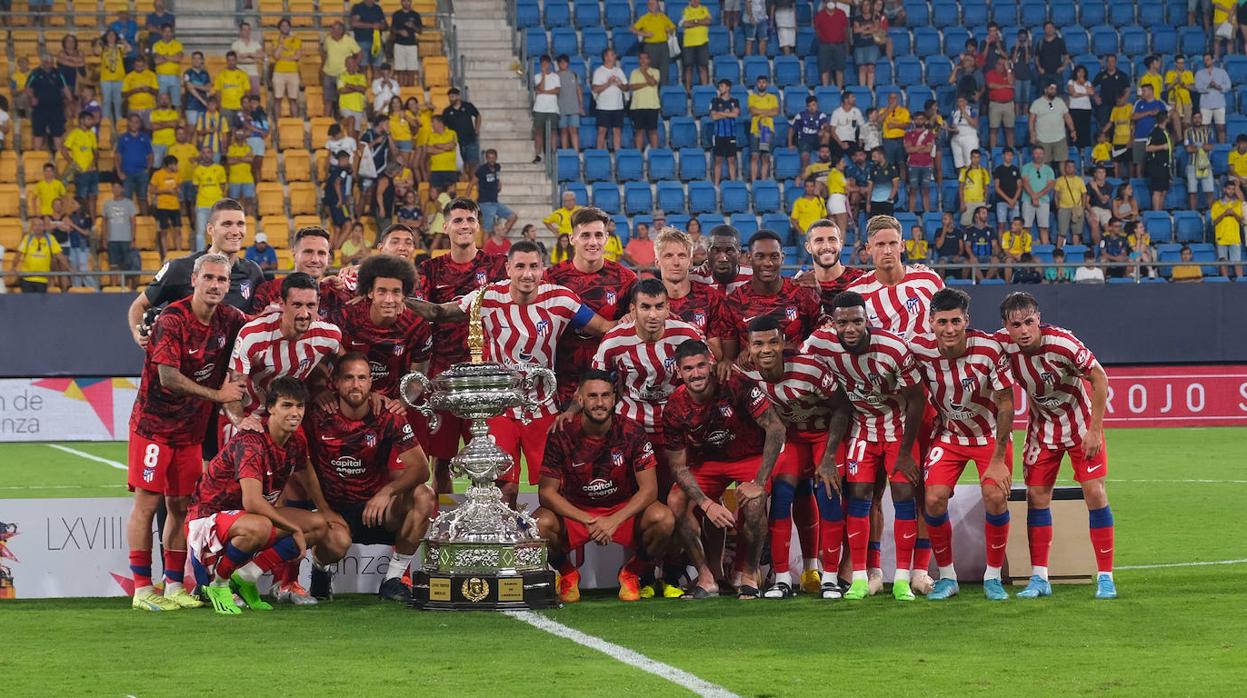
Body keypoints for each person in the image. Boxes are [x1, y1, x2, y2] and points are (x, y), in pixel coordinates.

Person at [408, 241, 617, 507]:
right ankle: (503, 543)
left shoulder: (562, 299)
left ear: (543, 269)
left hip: (543, 407)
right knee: (503, 487)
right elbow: (438, 313)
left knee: (555, 485)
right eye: (520, 266)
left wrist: (637, 321)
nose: (527, 274)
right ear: (508, 268)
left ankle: (553, 547)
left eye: (533, 267)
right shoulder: (487, 297)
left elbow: (606, 329)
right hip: (501, 408)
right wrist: (397, 298)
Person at [124, 253, 247, 612]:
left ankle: (174, 583)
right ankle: (142, 588)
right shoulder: (172, 318)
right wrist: (219, 396)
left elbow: (258, 329)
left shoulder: (231, 319)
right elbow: (169, 378)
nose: (215, 285)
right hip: (153, 427)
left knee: (180, 507)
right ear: (194, 280)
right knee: (148, 504)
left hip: (189, 433)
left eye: (222, 280)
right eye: (208, 277)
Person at [802, 291, 924, 600]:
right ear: (834, 323)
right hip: (861, 430)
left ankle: (901, 579)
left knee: (903, 496)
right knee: (859, 497)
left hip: (897, 429)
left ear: (867, 319)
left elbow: (916, 400)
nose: (851, 329)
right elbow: (794, 359)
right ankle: (860, 577)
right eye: (843, 323)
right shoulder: (819, 343)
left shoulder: (894, 348)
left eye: (857, 321)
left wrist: (908, 451)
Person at [996, 293, 1117, 599]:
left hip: (1080, 426)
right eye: (1016, 324)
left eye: (1029, 322)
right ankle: (1040, 578)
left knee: (1094, 491)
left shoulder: (1063, 343)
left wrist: (1095, 430)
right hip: (1042, 430)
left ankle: (1106, 576)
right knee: (1036, 496)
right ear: (1006, 327)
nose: (1023, 330)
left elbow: (1099, 378)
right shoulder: (1001, 345)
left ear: (1039, 320)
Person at [186, 377, 343, 615]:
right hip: (207, 519)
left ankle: (247, 577)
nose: (295, 413)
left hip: (244, 518)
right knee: (261, 526)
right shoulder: (252, 441)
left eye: (300, 406)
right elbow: (252, 501)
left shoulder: (296, 440)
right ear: (270, 408)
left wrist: (325, 508)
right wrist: (294, 529)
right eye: (287, 405)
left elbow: (307, 472)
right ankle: (218, 584)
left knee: (320, 525)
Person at [304, 353, 437, 602]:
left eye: (362, 378)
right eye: (349, 378)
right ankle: (320, 571)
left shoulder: (388, 416)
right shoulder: (318, 415)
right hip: (336, 511)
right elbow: (301, 464)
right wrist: (322, 508)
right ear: (335, 382)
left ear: (371, 382)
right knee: (336, 542)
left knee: (424, 496)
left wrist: (386, 493)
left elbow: (421, 469)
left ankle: (393, 579)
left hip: (378, 511)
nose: (356, 385)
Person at [909, 288, 1015, 601]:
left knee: (995, 497)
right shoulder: (918, 349)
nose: (950, 329)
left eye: (956, 321)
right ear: (930, 322)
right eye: (942, 322)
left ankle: (993, 577)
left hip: (989, 435)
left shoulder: (989, 349)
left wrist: (998, 458)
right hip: (950, 436)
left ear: (966, 320)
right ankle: (947, 577)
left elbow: (1007, 404)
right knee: (933, 500)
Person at [662, 339, 787, 600]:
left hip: (748, 456)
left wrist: (759, 482)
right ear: (678, 371)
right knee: (676, 500)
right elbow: (678, 466)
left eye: (700, 366)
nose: (696, 374)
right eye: (688, 368)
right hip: (707, 463)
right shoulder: (674, 407)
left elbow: (776, 428)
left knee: (754, 502)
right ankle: (707, 577)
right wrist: (706, 503)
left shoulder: (735, 383)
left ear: (710, 364)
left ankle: (749, 576)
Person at [536, 369, 675, 603]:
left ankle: (632, 573)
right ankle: (568, 573)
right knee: (539, 524)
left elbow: (649, 489)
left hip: (620, 508)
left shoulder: (632, 432)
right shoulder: (561, 434)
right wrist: (588, 520)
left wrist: (614, 520)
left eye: (605, 396)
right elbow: (546, 493)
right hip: (577, 510)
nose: (599, 403)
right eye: (592, 396)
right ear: (579, 399)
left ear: (614, 399)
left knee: (664, 519)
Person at [739, 316, 847, 599]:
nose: (766, 350)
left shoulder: (809, 368)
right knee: (783, 495)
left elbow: (842, 408)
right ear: (748, 348)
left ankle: (831, 578)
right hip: (793, 440)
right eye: (758, 344)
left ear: (783, 342)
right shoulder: (746, 376)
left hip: (824, 436)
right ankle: (783, 578)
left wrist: (829, 456)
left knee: (828, 491)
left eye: (773, 342)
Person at [126, 199, 266, 351]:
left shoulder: (253, 272)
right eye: (227, 224)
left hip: (232, 370)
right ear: (210, 229)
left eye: (240, 224)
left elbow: (260, 321)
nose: (235, 231)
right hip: (186, 367)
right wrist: (138, 334)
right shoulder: (179, 268)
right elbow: (139, 305)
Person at [545, 207, 638, 405]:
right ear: (572, 239)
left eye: (598, 235)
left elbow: (638, 323)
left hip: (609, 381)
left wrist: (631, 319)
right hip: (562, 380)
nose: (593, 242)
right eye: (585, 235)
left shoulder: (626, 279)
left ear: (606, 238)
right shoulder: (552, 278)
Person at [723, 230, 822, 359]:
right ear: (749, 258)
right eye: (760, 256)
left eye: (774, 256)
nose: (767, 263)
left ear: (782, 258)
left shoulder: (804, 295)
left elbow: (820, 343)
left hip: (798, 374)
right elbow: (729, 360)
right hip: (751, 376)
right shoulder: (734, 302)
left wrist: (790, 348)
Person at [655, 227, 736, 362]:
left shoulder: (710, 298)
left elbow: (719, 355)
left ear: (690, 261)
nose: (676, 263)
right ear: (657, 262)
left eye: (682, 255)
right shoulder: (646, 299)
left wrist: (697, 338)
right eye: (668, 256)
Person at [249, 226, 339, 315]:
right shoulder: (268, 291)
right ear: (294, 253)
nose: (315, 259)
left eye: (321, 253)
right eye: (308, 252)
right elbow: (252, 324)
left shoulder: (335, 295)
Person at [801, 218, 864, 315]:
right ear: (808, 247)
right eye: (819, 240)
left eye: (832, 240)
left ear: (841, 244)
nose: (826, 246)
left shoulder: (861, 281)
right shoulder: (802, 286)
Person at [690, 224, 754, 294]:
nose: (722, 258)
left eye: (729, 251)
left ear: (739, 253)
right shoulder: (694, 279)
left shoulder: (753, 278)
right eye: (715, 251)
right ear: (707, 252)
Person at [26, 54, 71, 153]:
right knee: (38, 132)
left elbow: (65, 87)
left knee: (57, 132)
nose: (49, 65)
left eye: (51, 63)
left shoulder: (58, 73)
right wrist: (32, 97)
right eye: (47, 62)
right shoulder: (35, 73)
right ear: (42, 62)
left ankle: (59, 154)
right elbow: (28, 88)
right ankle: (37, 154)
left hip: (56, 108)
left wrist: (70, 99)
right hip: (40, 108)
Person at [8, 217, 66, 293]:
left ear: (44, 227)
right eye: (35, 225)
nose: (38, 228)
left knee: (39, 304)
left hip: (42, 279)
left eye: (40, 225)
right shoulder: (27, 239)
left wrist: (70, 269)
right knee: (28, 303)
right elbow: (18, 255)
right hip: (27, 279)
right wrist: (13, 267)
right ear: (32, 227)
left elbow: (60, 256)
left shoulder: (50, 239)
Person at [1029, 81, 1075, 165]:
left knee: (1063, 163)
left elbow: (1067, 117)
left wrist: (1072, 130)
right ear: (1045, 90)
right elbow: (1031, 120)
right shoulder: (1037, 103)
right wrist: (1032, 133)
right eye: (1051, 89)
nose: (1054, 91)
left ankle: (1063, 178)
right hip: (1043, 138)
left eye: (1055, 89)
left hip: (1060, 138)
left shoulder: (1060, 102)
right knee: (1045, 164)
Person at [321, 22, 361, 118]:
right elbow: (324, 52)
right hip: (328, 74)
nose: (332, 31)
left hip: (343, 75)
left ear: (341, 31)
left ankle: (343, 121)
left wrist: (354, 65)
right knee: (328, 100)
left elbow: (359, 53)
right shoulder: (327, 40)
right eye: (332, 28)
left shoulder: (349, 41)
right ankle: (326, 122)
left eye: (334, 29)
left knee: (342, 100)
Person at [115, 114, 153, 215]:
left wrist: (147, 169)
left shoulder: (145, 138)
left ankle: (145, 220)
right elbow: (118, 156)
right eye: (132, 121)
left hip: (142, 173)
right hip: (127, 173)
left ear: (140, 124)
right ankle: (128, 222)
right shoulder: (123, 138)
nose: (134, 124)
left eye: (137, 122)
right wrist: (119, 172)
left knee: (143, 198)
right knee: (127, 199)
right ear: (128, 123)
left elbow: (150, 155)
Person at [591, 48, 628, 150]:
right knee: (602, 131)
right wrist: (608, 83)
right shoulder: (599, 71)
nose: (613, 57)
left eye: (613, 55)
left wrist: (619, 83)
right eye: (611, 55)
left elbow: (626, 87)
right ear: (605, 57)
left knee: (617, 131)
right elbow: (595, 89)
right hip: (603, 107)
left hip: (618, 107)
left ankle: (617, 155)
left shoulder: (619, 71)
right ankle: (599, 154)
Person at [632, 0, 675, 83]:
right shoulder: (644, 18)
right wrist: (644, 34)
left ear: (658, 5)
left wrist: (669, 29)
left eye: (653, 4)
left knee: (664, 71)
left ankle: (662, 92)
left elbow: (673, 27)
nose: (651, 5)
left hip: (663, 46)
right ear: (648, 6)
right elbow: (632, 29)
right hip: (650, 47)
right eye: (650, 4)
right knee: (652, 71)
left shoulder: (663, 17)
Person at [476, 149, 517, 234]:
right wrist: (467, 199)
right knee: (488, 230)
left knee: (513, 217)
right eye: (489, 158)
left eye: (493, 158)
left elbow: (496, 178)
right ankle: (486, 247)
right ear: (486, 158)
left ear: (496, 158)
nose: (491, 160)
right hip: (485, 202)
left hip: (495, 201)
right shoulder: (482, 170)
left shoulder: (497, 167)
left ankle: (500, 237)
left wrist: (498, 183)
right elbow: (472, 183)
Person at [443, 87, 482, 175]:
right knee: (464, 164)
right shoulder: (447, 111)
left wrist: (477, 129)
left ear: (458, 96)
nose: (450, 99)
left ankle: (472, 182)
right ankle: (466, 181)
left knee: (473, 163)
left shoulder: (468, 106)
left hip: (470, 140)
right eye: (449, 97)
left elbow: (478, 115)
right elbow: (444, 126)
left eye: (452, 96)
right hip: (457, 142)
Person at [269, 19, 304, 118]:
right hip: (279, 73)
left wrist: (284, 58)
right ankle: (277, 124)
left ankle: (295, 121)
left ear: (290, 27)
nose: (285, 28)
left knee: (293, 99)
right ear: (279, 28)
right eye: (282, 26)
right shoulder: (275, 41)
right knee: (277, 98)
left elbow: (297, 56)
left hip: (293, 72)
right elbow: (276, 56)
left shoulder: (297, 40)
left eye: (287, 25)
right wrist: (281, 44)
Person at [1020, 147, 1055, 244]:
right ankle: (1025, 251)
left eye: (1040, 153)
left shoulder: (1049, 170)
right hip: (1027, 200)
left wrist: (1036, 196)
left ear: (1044, 155)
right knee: (1026, 227)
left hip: (1043, 201)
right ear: (1032, 154)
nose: (1038, 155)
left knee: (1043, 227)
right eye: (1036, 153)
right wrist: (1032, 196)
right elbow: (1025, 182)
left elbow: (1050, 185)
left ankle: (1045, 249)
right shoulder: (1026, 167)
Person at [628, 52, 662, 152]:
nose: (643, 61)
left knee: (653, 131)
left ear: (649, 60)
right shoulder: (634, 72)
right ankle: (638, 153)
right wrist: (646, 83)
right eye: (641, 58)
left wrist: (644, 72)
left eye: (645, 58)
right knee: (639, 131)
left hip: (652, 105)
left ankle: (654, 153)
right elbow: (632, 87)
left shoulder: (655, 71)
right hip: (637, 106)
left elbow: (653, 82)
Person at [903, 113, 936, 213]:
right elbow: (908, 150)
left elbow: (928, 149)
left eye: (921, 119)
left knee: (926, 190)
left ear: (925, 121)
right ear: (913, 120)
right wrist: (922, 146)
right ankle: (911, 213)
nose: (919, 121)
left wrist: (915, 148)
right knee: (912, 190)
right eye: (917, 119)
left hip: (926, 165)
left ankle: (927, 213)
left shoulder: (929, 134)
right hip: (913, 164)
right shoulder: (908, 134)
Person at [709, 79, 741, 184]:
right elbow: (713, 116)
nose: (720, 88)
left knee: (731, 160)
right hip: (719, 135)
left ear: (728, 87)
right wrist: (727, 113)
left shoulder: (735, 101)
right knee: (718, 160)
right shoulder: (715, 101)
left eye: (722, 86)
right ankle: (716, 185)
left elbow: (735, 114)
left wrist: (721, 114)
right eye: (719, 86)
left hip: (731, 135)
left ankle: (733, 183)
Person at [748, 75, 778, 180]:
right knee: (754, 156)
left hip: (767, 130)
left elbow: (775, 111)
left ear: (767, 84)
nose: (761, 84)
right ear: (757, 84)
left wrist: (760, 112)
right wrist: (767, 112)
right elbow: (752, 110)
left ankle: (764, 180)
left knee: (765, 157)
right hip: (755, 130)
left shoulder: (773, 97)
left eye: (764, 82)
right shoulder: (752, 97)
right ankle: (754, 181)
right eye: (759, 82)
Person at [1211, 181, 1245, 277]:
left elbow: (1242, 221)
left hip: (1235, 238)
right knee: (1223, 262)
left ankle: (1240, 282)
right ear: (1224, 189)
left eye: (1233, 189)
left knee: (1237, 262)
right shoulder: (1216, 205)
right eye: (1229, 189)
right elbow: (1214, 222)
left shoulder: (1238, 204)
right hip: (1221, 238)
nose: (1231, 191)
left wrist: (1234, 214)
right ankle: (1225, 282)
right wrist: (1224, 214)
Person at [1195, 53, 1230, 144]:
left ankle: (1222, 146)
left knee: (1221, 127)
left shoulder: (1221, 72)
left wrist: (1218, 86)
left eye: (1208, 59)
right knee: (1204, 128)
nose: (1206, 62)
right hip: (1205, 104)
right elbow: (1198, 88)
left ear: (1213, 60)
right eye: (1205, 60)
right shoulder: (1199, 73)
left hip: (1219, 104)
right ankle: (1205, 147)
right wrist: (1208, 86)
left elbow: (1228, 86)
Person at [531, 55, 560, 163]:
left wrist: (544, 92)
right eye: (543, 63)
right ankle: (538, 154)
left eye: (546, 63)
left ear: (549, 64)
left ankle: (553, 152)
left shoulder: (555, 77)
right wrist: (543, 76)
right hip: (540, 108)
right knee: (538, 131)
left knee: (553, 131)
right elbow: (540, 87)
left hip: (552, 108)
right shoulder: (537, 76)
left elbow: (557, 90)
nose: (545, 65)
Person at [149, 155, 181, 255]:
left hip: (175, 206)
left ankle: (179, 252)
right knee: (164, 231)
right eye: (175, 164)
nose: (176, 166)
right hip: (162, 206)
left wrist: (174, 191)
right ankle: (165, 254)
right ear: (169, 165)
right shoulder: (157, 174)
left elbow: (178, 189)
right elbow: (152, 190)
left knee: (178, 229)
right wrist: (166, 190)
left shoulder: (178, 175)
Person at [1185, 112, 1216, 212]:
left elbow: (1210, 147)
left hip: (1205, 165)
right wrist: (1203, 146)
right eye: (1195, 117)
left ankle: (1212, 213)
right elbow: (1188, 149)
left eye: (1199, 118)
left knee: (1209, 191)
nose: (1197, 120)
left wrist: (1198, 146)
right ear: (1192, 119)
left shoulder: (1209, 131)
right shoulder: (1187, 132)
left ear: (1202, 119)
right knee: (1192, 191)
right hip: (1192, 165)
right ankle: (1193, 213)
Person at [814, 2, 850, 89]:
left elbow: (846, 30)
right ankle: (825, 89)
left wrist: (847, 44)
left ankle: (839, 89)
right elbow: (817, 30)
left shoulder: (841, 13)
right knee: (824, 69)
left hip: (839, 45)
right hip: (825, 45)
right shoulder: (820, 15)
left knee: (839, 69)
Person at [350, 0, 388, 79]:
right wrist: (372, 25)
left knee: (377, 67)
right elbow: (354, 23)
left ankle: (375, 89)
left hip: (376, 42)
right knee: (363, 68)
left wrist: (381, 26)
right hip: (362, 40)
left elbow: (385, 25)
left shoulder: (377, 8)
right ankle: (364, 89)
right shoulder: (358, 7)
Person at [391, 0, 424, 87]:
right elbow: (392, 28)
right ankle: (401, 89)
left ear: (411, 2)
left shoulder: (415, 15)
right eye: (404, 1)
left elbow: (420, 31)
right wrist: (399, 31)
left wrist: (412, 26)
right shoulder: (397, 14)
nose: (406, 3)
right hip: (399, 44)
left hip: (411, 45)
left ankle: (411, 90)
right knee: (400, 69)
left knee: (411, 70)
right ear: (401, 2)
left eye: (408, 1)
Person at [795, 95, 834, 168]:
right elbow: (791, 129)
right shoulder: (800, 115)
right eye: (809, 106)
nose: (812, 108)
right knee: (805, 157)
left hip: (817, 140)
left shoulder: (821, 115)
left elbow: (826, 126)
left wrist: (823, 129)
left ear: (817, 105)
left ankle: (825, 157)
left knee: (826, 134)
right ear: (806, 107)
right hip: (805, 140)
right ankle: (806, 175)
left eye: (814, 105)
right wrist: (790, 144)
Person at [1054, 160, 1088, 245]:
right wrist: (1058, 207)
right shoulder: (1059, 180)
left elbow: (1084, 194)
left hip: (1077, 209)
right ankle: (1058, 251)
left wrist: (1082, 207)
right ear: (1065, 168)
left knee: (1076, 233)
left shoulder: (1079, 180)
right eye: (1068, 166)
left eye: (1072, 166)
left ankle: (1075, 249)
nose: (1070, 168)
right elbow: (1056, 195)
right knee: (1062, 232)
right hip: (1063, 208)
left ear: (1075, 168)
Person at [225, 127, 256, 217]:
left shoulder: (248, 147)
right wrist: (243, 158)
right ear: (235, 136)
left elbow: (251, 159)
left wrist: (237, 158)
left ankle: (249, 217)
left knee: (249, 199)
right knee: (234, 201)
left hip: (247, 178)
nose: (240, 136)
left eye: (242, 134)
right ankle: (236, 218)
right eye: (238, 134)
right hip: (234, 179)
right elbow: (230, 161)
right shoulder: (231, 148)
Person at [1104, 91, 1135, 179]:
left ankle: (1131, 181)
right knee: (1117, 163)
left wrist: (1131, 140)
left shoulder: (1130, 108)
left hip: (1127, 140)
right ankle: (1118, 181)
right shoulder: (1115, 109)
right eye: (1116, 101)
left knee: (1130, 162)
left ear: (1124, 99)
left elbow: (1133, 125)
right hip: (1117, 140)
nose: (1117, 102)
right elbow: (1110, 123)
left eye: (1119, 100)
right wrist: (1103, 131)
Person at [337, 54, 369, 137]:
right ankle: (352, 145)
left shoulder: (361, 76)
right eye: (349, 63)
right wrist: (357, 88)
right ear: (346, 65)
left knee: (356, 131)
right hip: (346, 106)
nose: (351, 65)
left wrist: (350, 86)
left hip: (358, 107)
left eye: (353, 63)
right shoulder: (341, 76)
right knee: (351, 120)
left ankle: (354, 145)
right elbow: (342, 90)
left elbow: (363, 89)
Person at [555, 54, 582, 150]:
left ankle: (576, 152)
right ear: (558, 64)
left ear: (568, 63)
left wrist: (581, 106)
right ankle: (565, 152)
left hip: (573, 107)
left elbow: (578, 91)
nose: (563, 64)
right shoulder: (554, 76)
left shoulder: (574, 75)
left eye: (565, 62)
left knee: (574, 131)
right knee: (563, 131)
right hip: (561, 107)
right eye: (561, 62)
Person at [230, 21, 265, 95]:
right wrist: (253, 59)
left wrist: (247, 54)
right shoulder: (235, 44)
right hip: (240, 73)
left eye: (249, 29)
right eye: (245, 29)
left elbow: (262, 55)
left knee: (255, 97)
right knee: (242, 96)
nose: (247, 31)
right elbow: (235, 59)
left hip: (253, 73)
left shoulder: (255, 43)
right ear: (241, 31)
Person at [151, 24, 183, 104]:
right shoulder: (156, 45)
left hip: (175, 76)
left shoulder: (178, 44)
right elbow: (156, 61)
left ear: (172, 33)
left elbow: (178, 58)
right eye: (165, 31)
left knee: (176, 103)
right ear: (161, 32)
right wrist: (172, 57)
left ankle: (176, 116)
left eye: (169, 31)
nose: (167, 34)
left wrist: (164, 56)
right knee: (161, 101)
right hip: (161, 77)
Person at [958, 149, 990, 227]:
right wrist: (962, 203)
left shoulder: (984, 171)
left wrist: (984, 201)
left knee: (981, 224)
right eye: (974, 157)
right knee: (967, 225)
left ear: (980, 158)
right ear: (970, 158)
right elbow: (961, 188)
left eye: (978, 157)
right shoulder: (964, 171)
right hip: (968, 201)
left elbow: (986, 188)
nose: (976, 159)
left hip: (980, 202)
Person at [949, 95, 980, 172]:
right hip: (956, 139)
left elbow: (974, 124)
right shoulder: (954, 112)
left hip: (969, 138)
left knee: (970, 162)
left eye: (962, 101)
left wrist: (963, 111)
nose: (960, 103)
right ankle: (962, 181)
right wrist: (952, 129)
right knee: (959, 163)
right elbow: (951, 126)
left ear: (966, 101)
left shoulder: (972, 110)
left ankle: (972, 182)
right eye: (959, 101)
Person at [933, 211, 968, 279]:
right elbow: (938, 245)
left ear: (951, 220)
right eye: (943, 219)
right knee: (941, 264)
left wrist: (958, 256)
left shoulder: (958, 232)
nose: (943, 221)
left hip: (956, 256)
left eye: (945, 219)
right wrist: (944, 230)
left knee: (967, 263)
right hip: (944, 257)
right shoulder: (939, 231)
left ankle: (964, 282)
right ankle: (941, 285)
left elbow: (961, 248)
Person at [1067, 65, 1094, 150]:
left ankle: (1084, 151)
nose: (1081, 74)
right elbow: (1073, 94)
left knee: (1085, 131)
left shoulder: (1087, 83)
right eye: (1079, 72)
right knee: (1075, 130)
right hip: (1074, 109)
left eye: (1083, 72)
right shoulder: (1071, 82)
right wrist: (1086, 93)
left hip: (1086, 109)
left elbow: (1092, 92)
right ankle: (1075, 149)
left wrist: (1083, 84)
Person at [181, 50, 211, 128]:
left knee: (202, 129)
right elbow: (190, 89)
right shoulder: (187, 73)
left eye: (198, 58)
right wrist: (203, 101)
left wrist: (194, 85)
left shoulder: (205, 73)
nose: (196, 60)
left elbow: (208, 88)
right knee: (191, 129)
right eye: (194, 58)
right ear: (192, 60)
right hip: (191, 105)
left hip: (203, 107)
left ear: (202, 60)